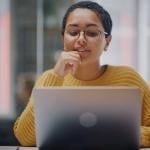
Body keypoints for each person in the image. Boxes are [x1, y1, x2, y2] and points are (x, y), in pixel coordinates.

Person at [14, 1, 150, 147]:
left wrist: (124, 135)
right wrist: (56, 75)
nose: (81, 40)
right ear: (63, 38)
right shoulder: (49, 78)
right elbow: (24, 138)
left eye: (91, 33)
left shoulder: (129, 78)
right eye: (73, 33)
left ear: (107, 42)